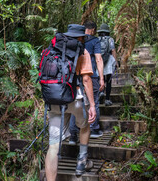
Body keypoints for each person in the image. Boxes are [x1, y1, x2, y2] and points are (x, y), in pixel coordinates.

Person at [45, 24, 97, 180]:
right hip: (76, 99)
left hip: (54, 100)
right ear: (80, 37)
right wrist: (92, 105)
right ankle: (82, 161)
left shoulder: (52, 49)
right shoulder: (82, 51)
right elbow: (86, 79)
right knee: (85, 125)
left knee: (53, 145)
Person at [69, 21, 105, 143]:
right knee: (93, 102)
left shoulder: (71, 41)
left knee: (75, 104)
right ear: (93, 29)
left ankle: (73, 135)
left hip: (73, 78)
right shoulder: (94, 41)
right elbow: (99, 59)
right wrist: (102, 78)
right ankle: (94, 129)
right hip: (90, 76)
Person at [97, 23, 117, 106]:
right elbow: (113, 51)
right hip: (108, 61)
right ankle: (107, 99)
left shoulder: (97, 39)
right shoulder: (110, 39)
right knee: (108, 81)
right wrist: (115, 62)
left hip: (99, 61)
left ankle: (101, 93)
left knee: (99, 79)